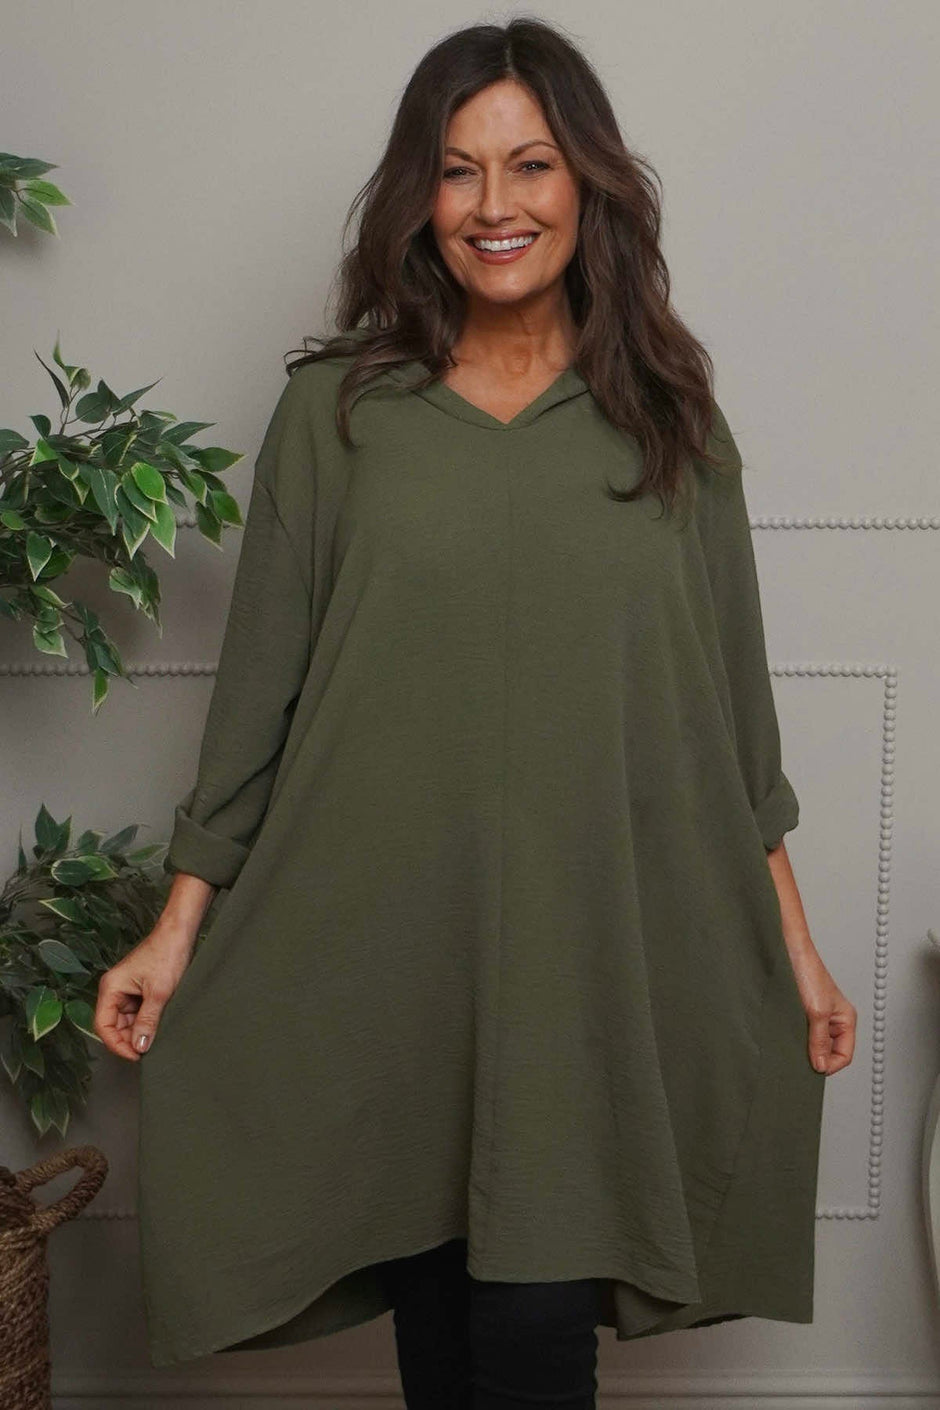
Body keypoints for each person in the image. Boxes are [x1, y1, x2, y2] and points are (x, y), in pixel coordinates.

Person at [94, 16, 856, 1407]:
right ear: (419, 195)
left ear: (590, 183)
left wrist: (793, 950)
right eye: (458, 169)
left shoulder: (673, 423)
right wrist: (176, 925)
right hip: (391, 959)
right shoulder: (336, 417)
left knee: (532, 1334)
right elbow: (256, 701)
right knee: (443, 1339)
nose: (494, 204)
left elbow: (735, 719)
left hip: (587, 958)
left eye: (531, 164)